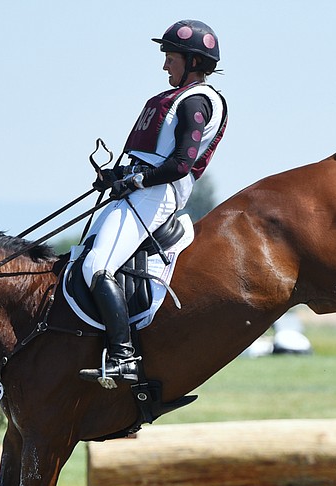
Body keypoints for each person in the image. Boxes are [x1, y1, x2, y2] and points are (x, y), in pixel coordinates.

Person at [77, 19, 229, 389]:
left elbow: (180, 164)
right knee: (79, 259)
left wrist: (138, 179)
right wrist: (117, 176)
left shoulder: (196, 102)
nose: (165, 66)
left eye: (170, 58)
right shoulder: (171, 99)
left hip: (158, 194)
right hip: (137, 190)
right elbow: (146, 155)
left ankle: (123, 356)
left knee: (98, 267)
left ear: (193, 61)